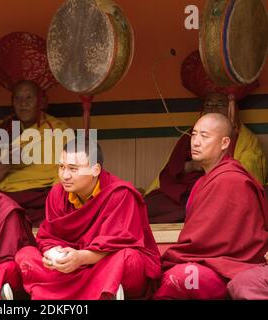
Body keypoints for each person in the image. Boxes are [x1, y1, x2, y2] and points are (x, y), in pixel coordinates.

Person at [15, 138, 161, 299]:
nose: (65, 175)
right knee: (25, 254)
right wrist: (52, 255)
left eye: (73, 169)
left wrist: (81, 258)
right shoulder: (57, 194)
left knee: (128, 259)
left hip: (100, 265)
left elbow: (120, 243)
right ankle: (103, 291)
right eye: (61, 167)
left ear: (95, 170)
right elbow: (49, 236)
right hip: (69, 268)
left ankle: (60, 293)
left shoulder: (120, 194)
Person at [152, 113, 268, 300]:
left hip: (232, 265)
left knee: (181, 278)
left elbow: (215, 240)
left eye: (204, 136)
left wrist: (180, 254)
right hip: (208, 260)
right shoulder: (203, 182)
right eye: (194, 135)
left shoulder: (232, 180)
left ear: (224, 143)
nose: (195, 142)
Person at [0, 32, 70, 227]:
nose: (23, 104)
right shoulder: (2, 132)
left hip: (43, 194)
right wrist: (8, 161)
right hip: (9, 196)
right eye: (18, 99)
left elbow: (68, 174)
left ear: (41, 101)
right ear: (12, 102)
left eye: (29, 98)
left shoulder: (58, 130)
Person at [145, 50, 266, 223]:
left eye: (220, 104)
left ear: (232, 108)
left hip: (217, 192)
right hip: (183, 194)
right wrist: (189, 167)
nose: (213, 108)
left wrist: (208, 167)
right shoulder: (189, 136)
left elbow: (247, 179)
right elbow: (168, 174)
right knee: (146, 206)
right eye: (209, 104)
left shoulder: (244, 139)